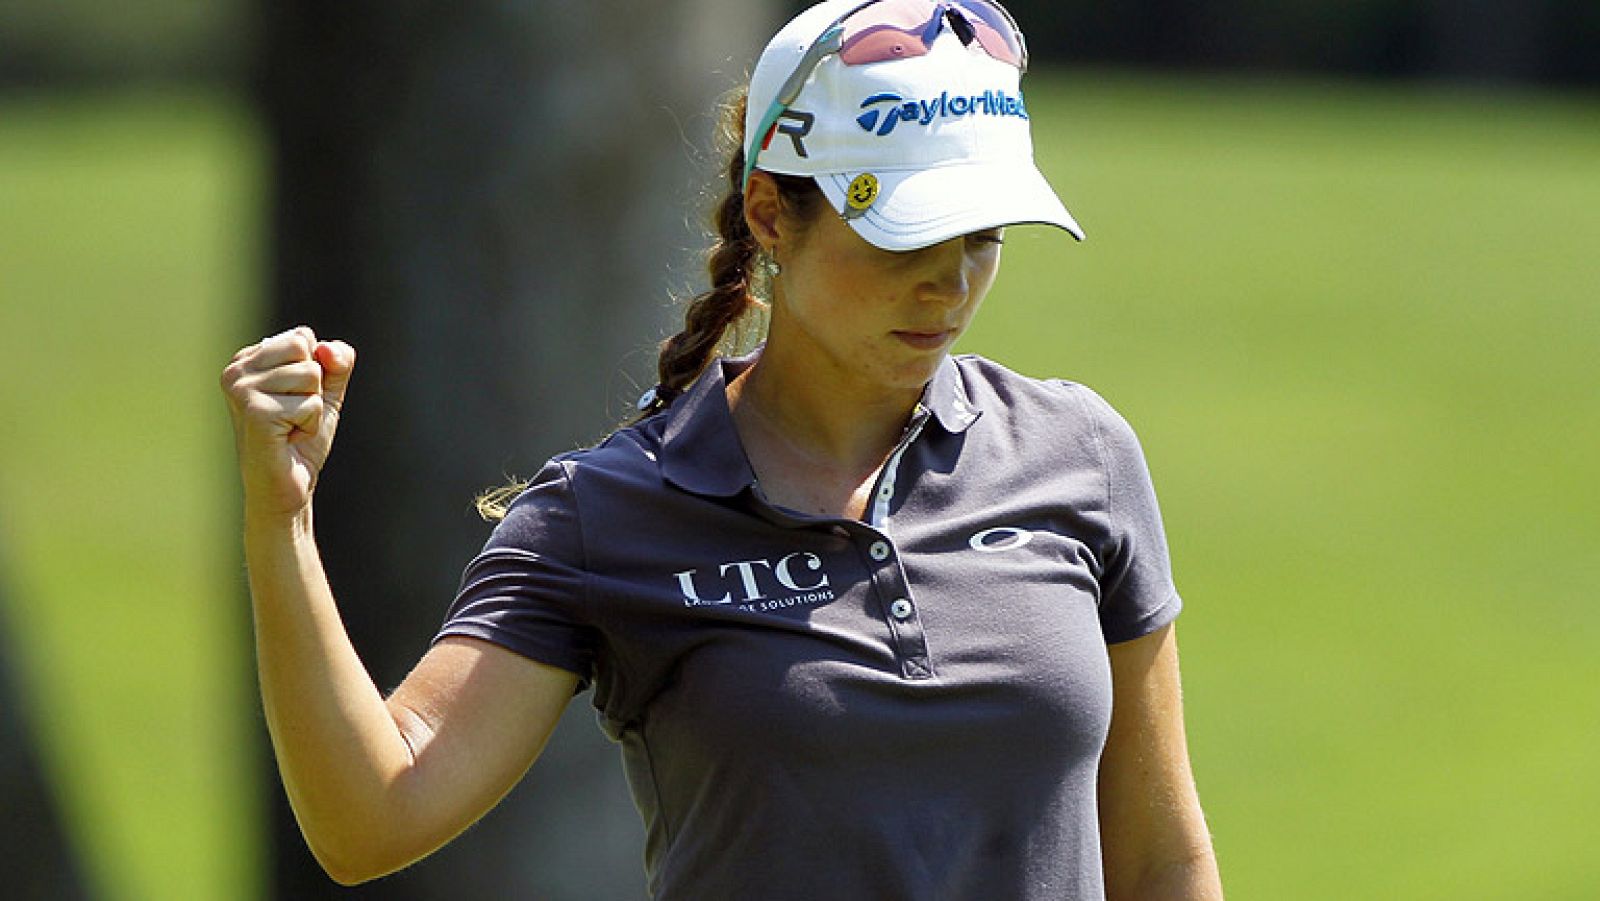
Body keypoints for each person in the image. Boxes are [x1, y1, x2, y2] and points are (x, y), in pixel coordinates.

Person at [220, 0, 1224, 897]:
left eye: (983, 237)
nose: (950, 283)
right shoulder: (604, 514)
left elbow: (1163, 864)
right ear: (769, 214)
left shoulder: (1079, 456)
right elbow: (370, 817)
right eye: (905, 238)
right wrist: (283, 518)